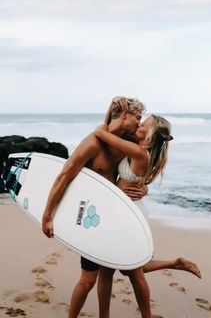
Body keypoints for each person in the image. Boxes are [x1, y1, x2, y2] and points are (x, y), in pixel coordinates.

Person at [42, 97, 149, 318]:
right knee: (89, 278)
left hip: (112, 217)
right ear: (125, 115)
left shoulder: (124, 143)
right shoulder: (93, 143)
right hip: (90, 217)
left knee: (114, 271)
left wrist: (144, 188)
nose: (140, 124)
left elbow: (142, 166)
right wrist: (48, 215)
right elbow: (64, 176)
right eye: (137, 118)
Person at [94, 109, 201, 318]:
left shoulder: (139, 152)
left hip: (128, 216)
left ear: (150, 133)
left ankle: (147, 315)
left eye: (145, 124)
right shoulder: (142, 149)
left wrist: (103, 125)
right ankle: (175, 264)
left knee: (132, 272)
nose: (140, 125)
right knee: (111, 269)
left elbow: (101, 133)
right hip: (122, 211)